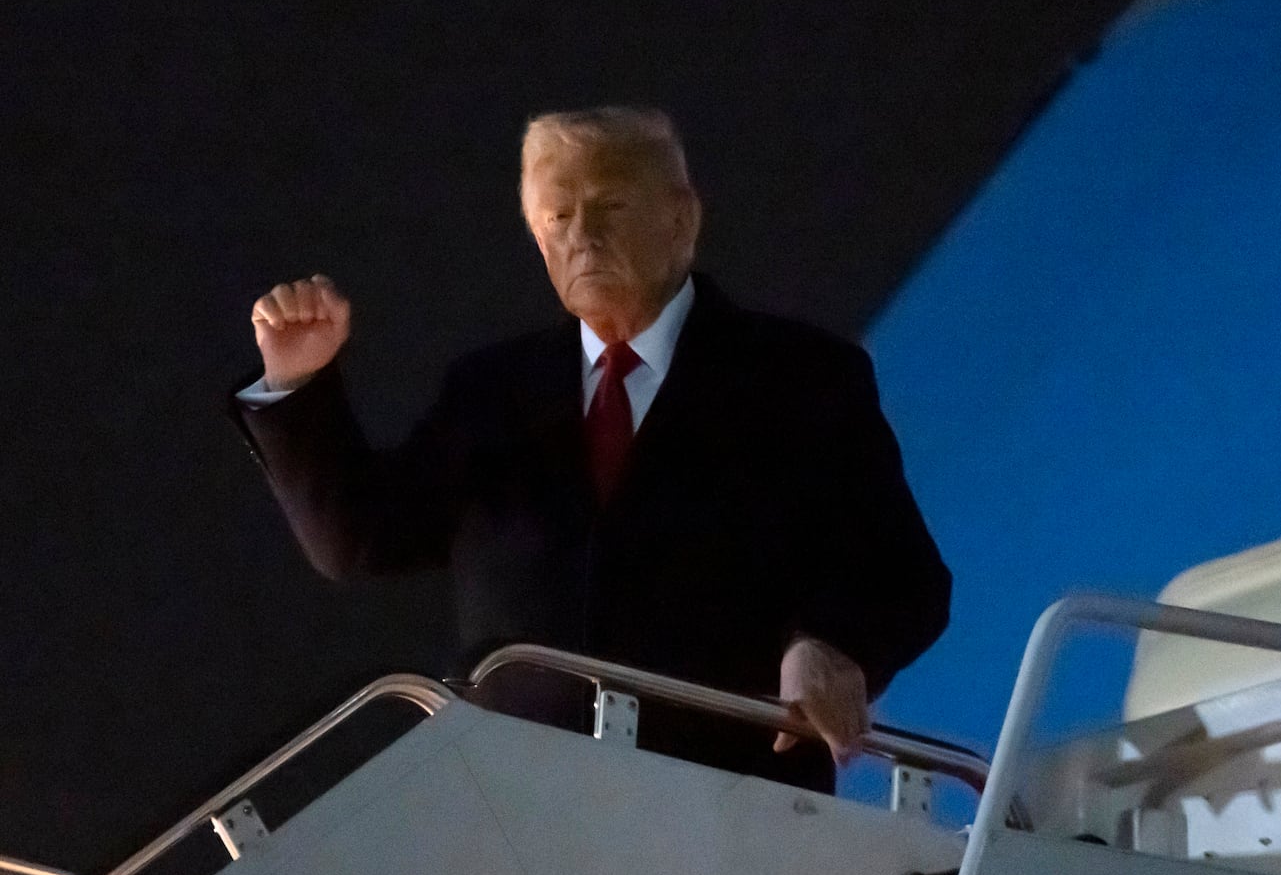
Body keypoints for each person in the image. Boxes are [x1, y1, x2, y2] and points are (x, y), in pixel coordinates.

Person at [233, 106, 950, 793]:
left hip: (730, 806)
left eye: (607, 208)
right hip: (516, 810)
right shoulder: (491, 390)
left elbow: (904, 574)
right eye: (557, 217)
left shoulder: (798, 377)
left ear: (682, 216)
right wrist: (298, 381)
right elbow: (360, 540)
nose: (581, 236)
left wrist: (830, 644)